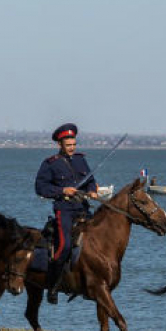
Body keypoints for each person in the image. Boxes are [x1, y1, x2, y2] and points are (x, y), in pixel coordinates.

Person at [35, 123, 98, 304]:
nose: (72, 148)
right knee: (65, 246)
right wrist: (63, 190)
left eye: (74, 144)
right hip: (65, 210)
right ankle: (53, 286)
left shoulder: (80, 160)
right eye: (68, 145)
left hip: (83, 209)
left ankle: (89, 283)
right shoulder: (50, 164)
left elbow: (91, 180)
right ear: (60, 145)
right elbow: (40, 188)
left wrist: (92, 190)